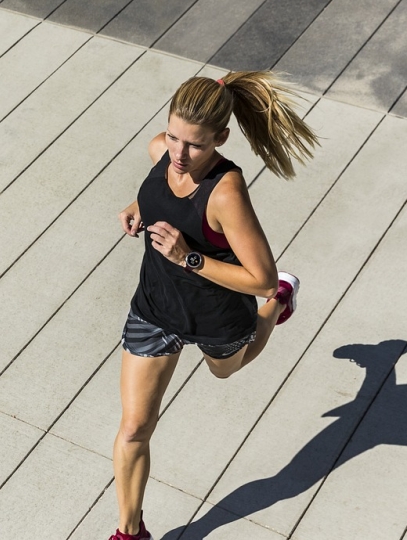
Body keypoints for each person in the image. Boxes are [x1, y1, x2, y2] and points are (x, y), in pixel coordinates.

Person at [111, 71, 319, 540]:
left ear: (221, 139)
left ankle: (279, 306)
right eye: (175, 136)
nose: (179, 155)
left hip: (217, 313)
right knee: (134, 428)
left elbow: (259, 276)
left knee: (226, 370)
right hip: (156, 307)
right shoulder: (161, 150)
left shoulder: (226, 193)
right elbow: (159, 188)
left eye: (196, 146)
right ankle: (130, 532)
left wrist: (188, 257)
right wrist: (138, 206)